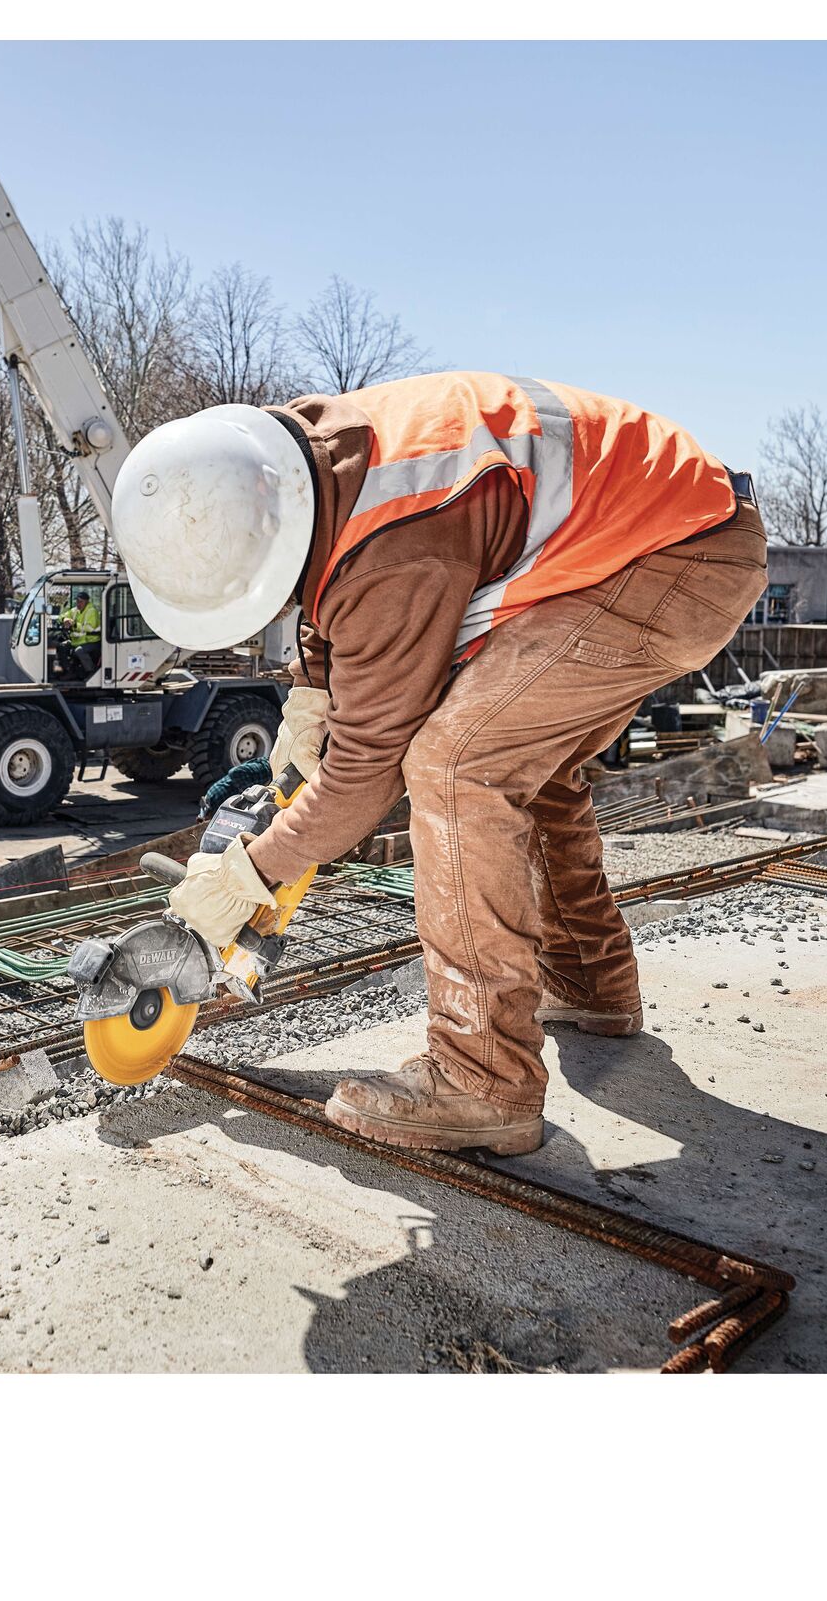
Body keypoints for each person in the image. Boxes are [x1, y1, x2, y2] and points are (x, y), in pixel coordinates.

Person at [110, 370, 768, 1157]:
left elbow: (365, 776)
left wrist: (250, 871)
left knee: (459, 766)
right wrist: (308, 708)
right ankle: (590, 980)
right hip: (660, 530)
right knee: (525, 759)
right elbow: (327, 596)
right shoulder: (313, 465)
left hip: (674, 554)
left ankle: (482, 1080)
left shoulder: (398, 542)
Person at [61, 587, 102, 680]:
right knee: (61, 646)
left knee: (79, 651)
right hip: (78, 641)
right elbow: (63, 615)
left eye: (81, 601)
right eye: (77, 601)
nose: (78, 604)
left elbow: (89, 628)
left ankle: (91, 672)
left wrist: (74, 624)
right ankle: (69, 671)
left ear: (86, 602)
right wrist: (64, 619)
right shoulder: (76, 610)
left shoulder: (92, 611)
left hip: (92, 641)